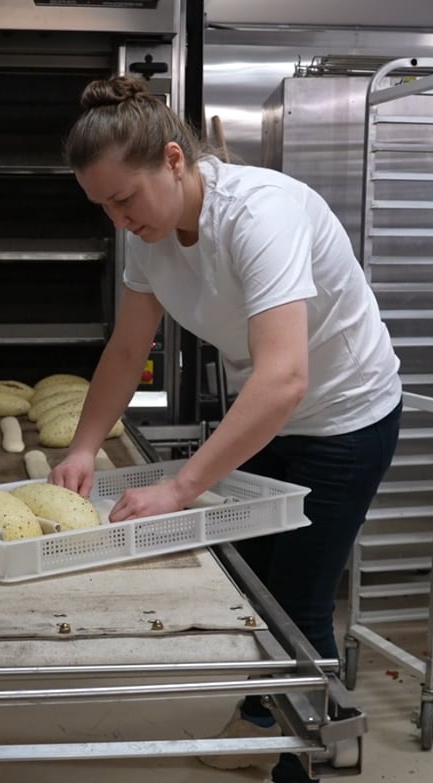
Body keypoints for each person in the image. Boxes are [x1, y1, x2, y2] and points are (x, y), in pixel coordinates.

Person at [50, 75, 402, 783]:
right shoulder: (148, 236)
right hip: (271, 417)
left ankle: (293, 759)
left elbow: (286, 377)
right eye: (104, 207)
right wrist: (84, 445)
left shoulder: (259, 215)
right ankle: (296, 723)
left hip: (344, 414)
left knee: (296, 600)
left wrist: (180, 487)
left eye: (125, 199)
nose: (120, 219)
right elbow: (127, 350)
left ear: (175, 161)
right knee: (258, 588)